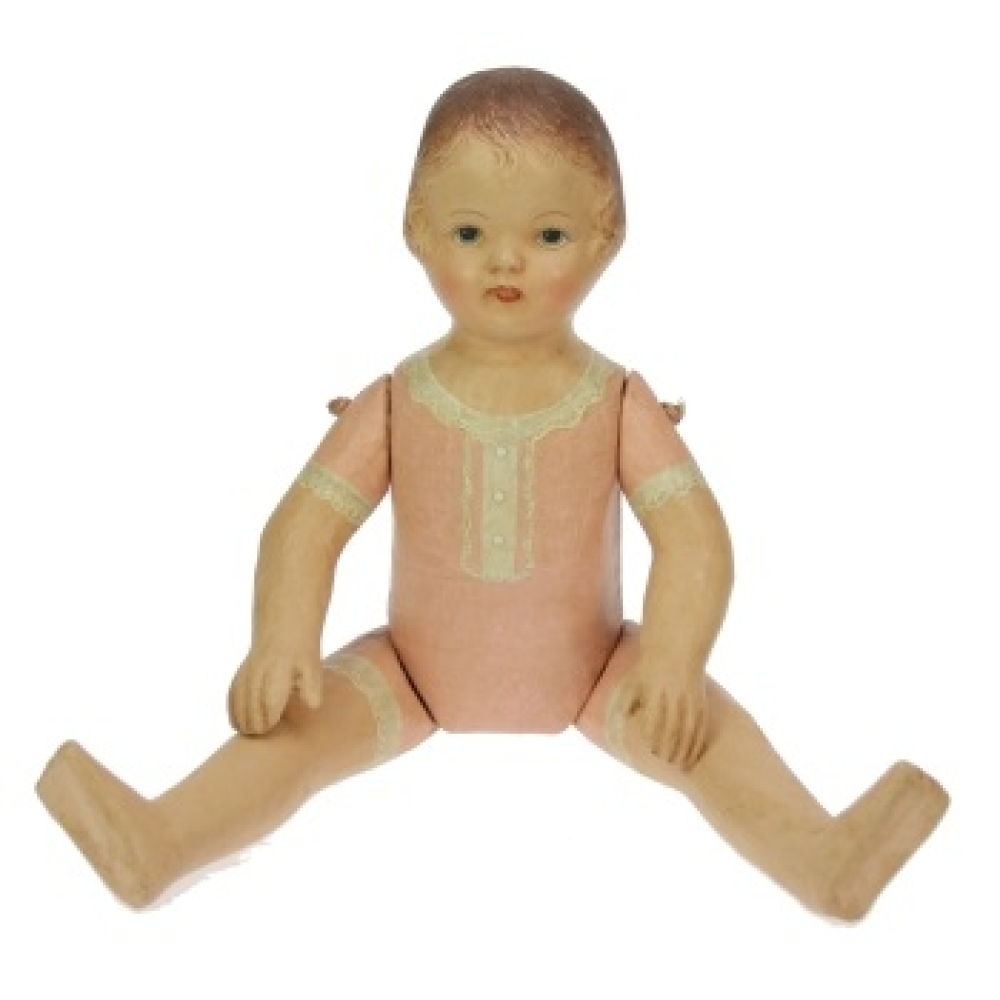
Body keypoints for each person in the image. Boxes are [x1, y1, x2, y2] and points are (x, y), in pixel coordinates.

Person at [36, 67, 948, 919]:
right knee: (292, 739)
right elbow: (306, 525)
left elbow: (694, 537)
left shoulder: (615, 401)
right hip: (407, 673)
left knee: (701, 734)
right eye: (470, 233)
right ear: (417, 230)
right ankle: (158, 841)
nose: (505, 261)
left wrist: (672, 660)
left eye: (548, 236)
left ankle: (824, 858)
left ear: (606, 238)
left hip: (599, 672)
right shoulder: (398, 399)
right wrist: (281, 638)